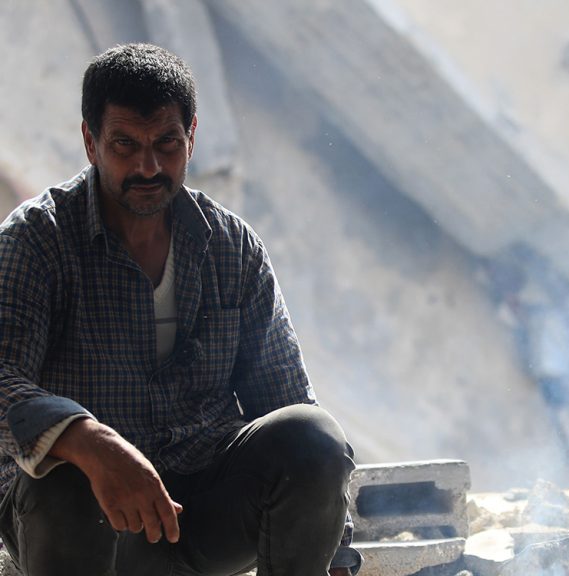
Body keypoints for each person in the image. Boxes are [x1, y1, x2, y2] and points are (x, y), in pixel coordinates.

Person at [0, 43, 361, 576]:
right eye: (124, 144)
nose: (148, 166)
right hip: (85, 521)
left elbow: (284, 400)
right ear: (90, 141)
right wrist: (89, 440)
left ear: (191, 137)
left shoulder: (232, 247)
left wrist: (336, 545)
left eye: (166, 143)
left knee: (313, 435)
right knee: (67, 476)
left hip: (205, 516)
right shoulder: (37, 241)